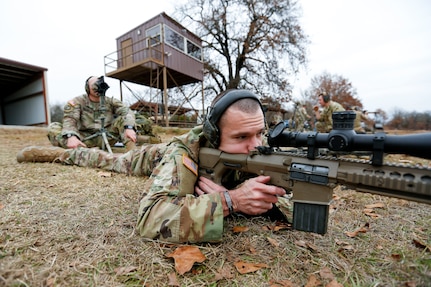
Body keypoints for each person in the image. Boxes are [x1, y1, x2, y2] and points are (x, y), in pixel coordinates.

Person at [17, 89, 290, 243]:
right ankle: (50, 151)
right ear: (214, 135)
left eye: (259, 134)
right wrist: (230, 202)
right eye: (241, 137)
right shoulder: (183, 153)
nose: (255, 145)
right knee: (108, 159)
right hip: (152, 157)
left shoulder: (255, 149)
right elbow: (150, 219)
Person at [47, 76, 158, 151]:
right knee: (53, 127)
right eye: (94, 84)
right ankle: (79, 150)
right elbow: (70, 119)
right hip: (85, 138)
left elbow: (126, 111)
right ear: (88, 88)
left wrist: (129, 127)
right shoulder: (78, 101)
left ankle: (134, 156)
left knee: (123, 121)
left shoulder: (110, 101)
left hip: (108, 137)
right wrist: (71, 136)